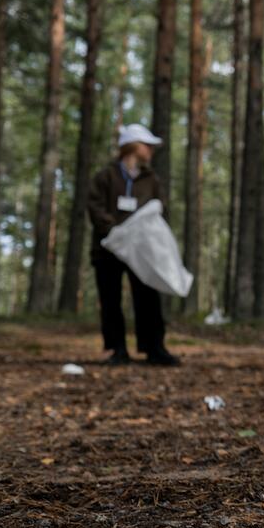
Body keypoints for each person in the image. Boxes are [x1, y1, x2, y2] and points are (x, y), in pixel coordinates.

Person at [88, 124, 180, 366]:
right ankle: (116, 348)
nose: (150, 150)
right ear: (132, 146)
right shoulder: (106, 176)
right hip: (108, 248)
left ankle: (154, 348)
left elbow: (160, 209)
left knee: (148, 296)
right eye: (146, 145)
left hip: (141, 250)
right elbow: (95, 206)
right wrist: (113, 230)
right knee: (110, 300)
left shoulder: (151, 180)